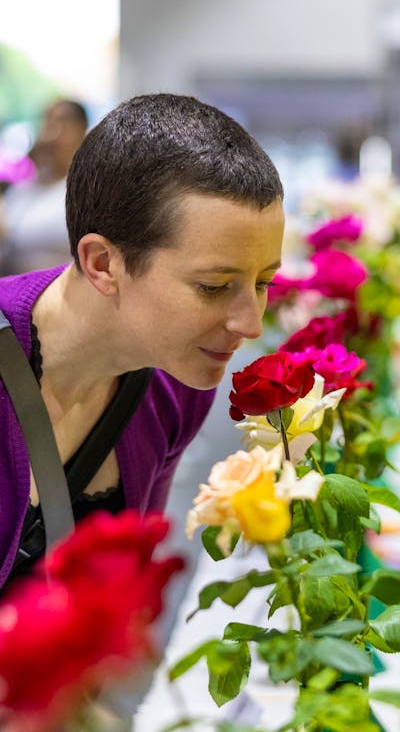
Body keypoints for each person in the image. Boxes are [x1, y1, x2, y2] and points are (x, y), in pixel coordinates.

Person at [0, 93, 284, 591]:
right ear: (103, 264)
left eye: (264, 283)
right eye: (214, 287)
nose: (250, 323)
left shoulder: (177, 386)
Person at [0, 99, 88, 274]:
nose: (49, 136)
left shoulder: (86, 192)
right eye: (47, 123)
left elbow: (21, 234)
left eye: (62, 124)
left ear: (82, 132)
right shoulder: (26, 187)